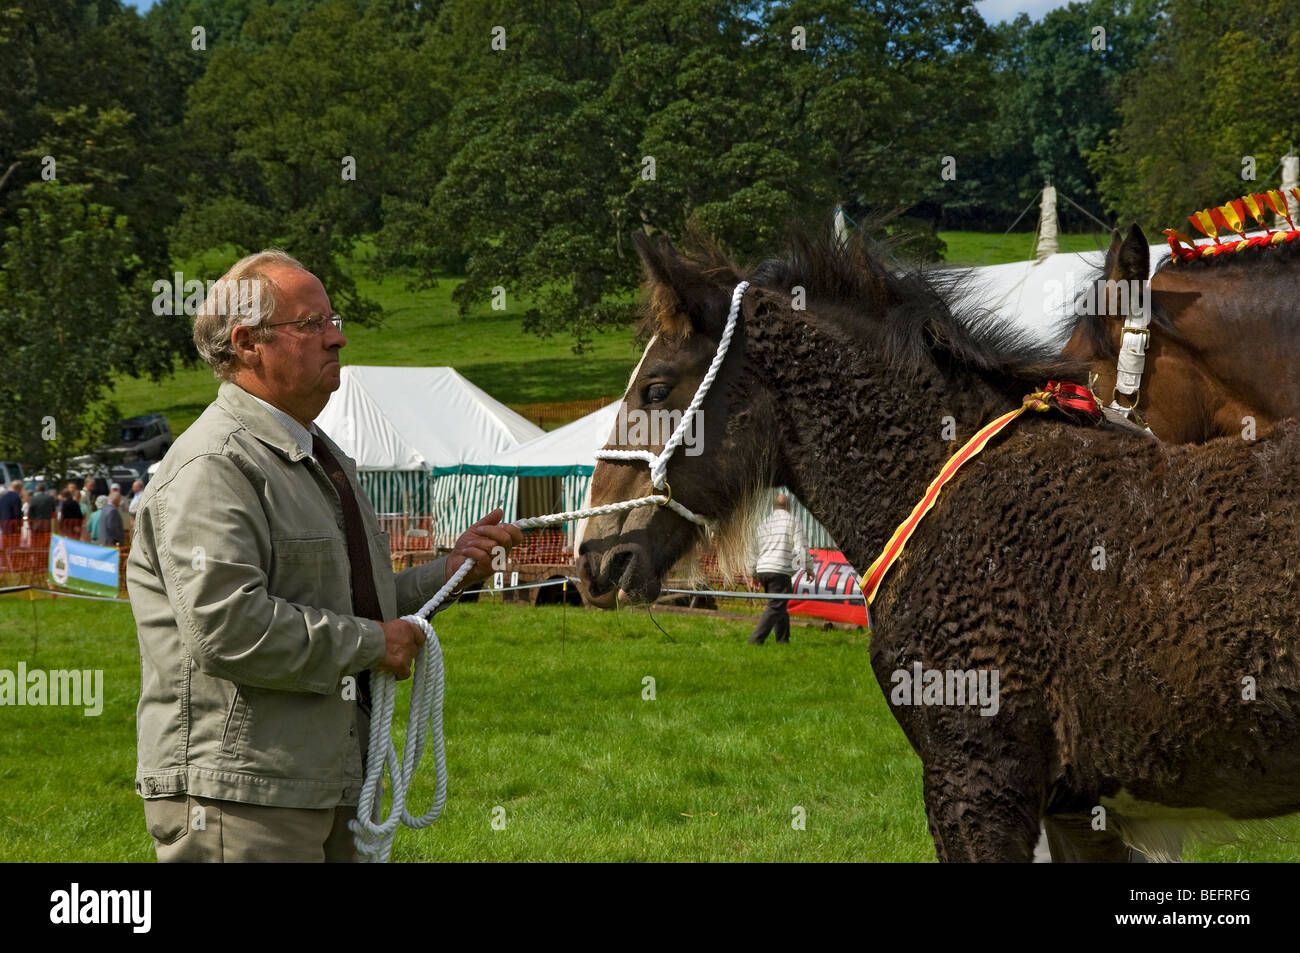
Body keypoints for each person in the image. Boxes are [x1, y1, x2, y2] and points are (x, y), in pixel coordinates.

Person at [126, 249, 523, 863]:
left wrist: (447, 573)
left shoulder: (320, 456)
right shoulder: (214, 466)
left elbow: (352, 603)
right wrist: (372, 644)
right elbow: (227, 628)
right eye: (311, 325)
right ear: (247, 343)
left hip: (326, 777)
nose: (336, 338)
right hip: (244, 796)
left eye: (332, 320)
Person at [747, 493, 809, 645]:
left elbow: (752, 550)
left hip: (763, 570)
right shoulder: (794, 521)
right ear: (789, 507)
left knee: (779, 604)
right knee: (776, 606)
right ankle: (755, 641)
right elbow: (801, 547)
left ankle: (782, 641)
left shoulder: (764, 523)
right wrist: (809, 568)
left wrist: (752, 574)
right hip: (779, 571)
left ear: (773, 507)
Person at [0, 479, 22, 548]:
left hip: (3, 522)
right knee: (13, 542)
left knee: (5, 542)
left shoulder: (3, 497)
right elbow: (17, 512)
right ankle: (12, 557)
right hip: (12, 523)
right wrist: (19, 522)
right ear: (19, 488)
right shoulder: (16, 497)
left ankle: (5, 558)